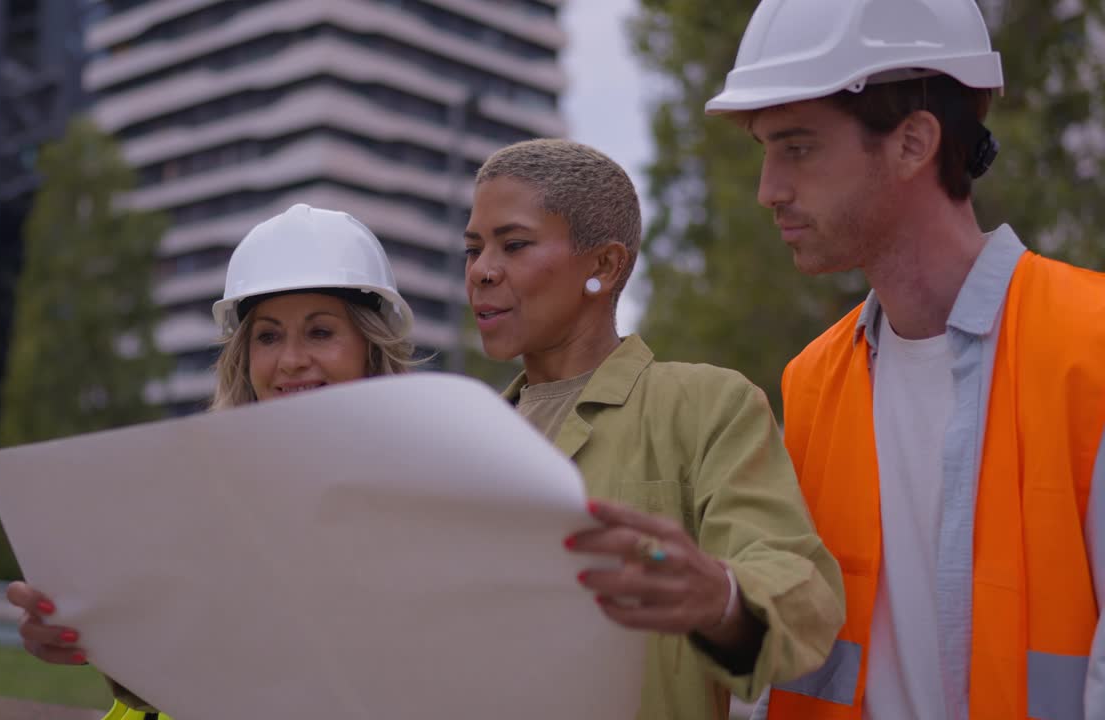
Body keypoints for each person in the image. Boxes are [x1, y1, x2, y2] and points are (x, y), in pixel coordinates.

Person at [704, 1, 1105, 718]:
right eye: (765, 150)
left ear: (913, 142)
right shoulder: (813, 382)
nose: (769, 190)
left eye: (797, 147)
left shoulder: (1092, 344)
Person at [469, 138, 844, 720]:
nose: (482, 272)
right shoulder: (465, 443)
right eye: (473, 249)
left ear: (604, 265)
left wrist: (719, 596)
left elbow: (797, 588)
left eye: (512, 245)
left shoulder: (706, 406)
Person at [4, 203, 419, 719]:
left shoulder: (415, 506)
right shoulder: (192, 497)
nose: (290, 360)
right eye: (268, 336)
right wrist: (81, 630)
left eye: (320, 332)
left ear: (371, 347)